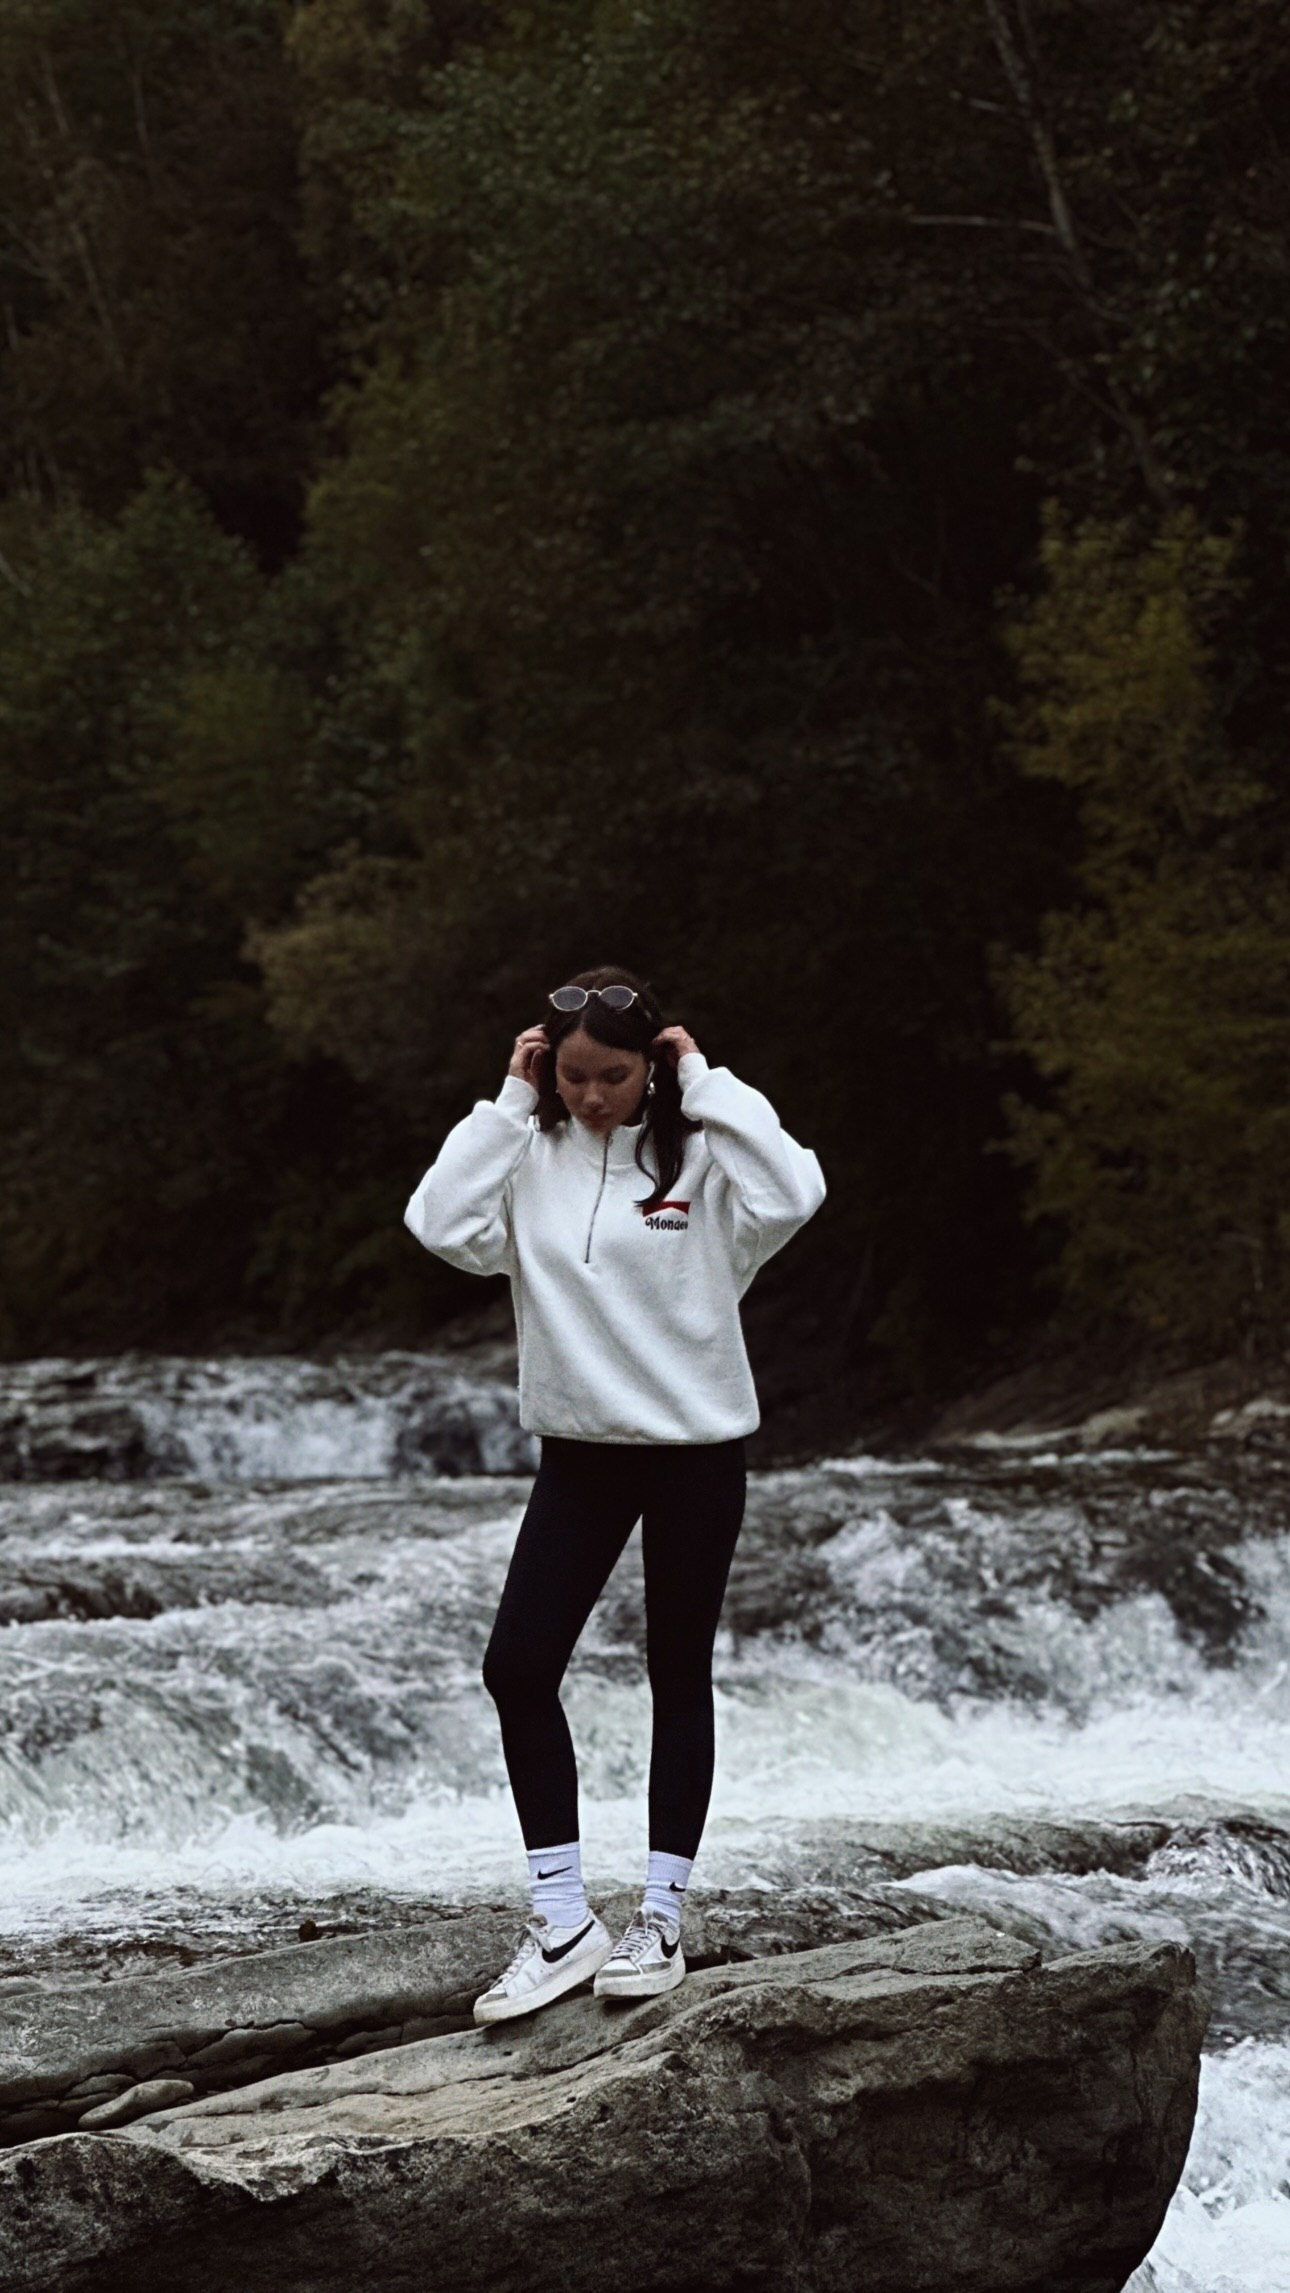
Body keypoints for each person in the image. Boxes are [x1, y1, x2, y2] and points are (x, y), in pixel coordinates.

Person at [404, 965, 826, 2024]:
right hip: (580, 1453)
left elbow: (797, 1190)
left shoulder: (709, 1162)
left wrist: (705, 1077)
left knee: (676, 1675)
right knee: (516, 1667)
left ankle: (661, 1917)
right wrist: (510, 1102)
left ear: (652, 1068)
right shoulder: (528, 1156)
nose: (593, 1096)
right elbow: (437, 1220)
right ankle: (562, 1921)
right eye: (573, 1077)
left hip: (695, 1452)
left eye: (616, 1076)